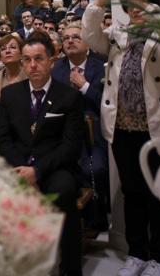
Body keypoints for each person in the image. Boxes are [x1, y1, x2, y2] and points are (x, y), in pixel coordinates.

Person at [83, 0, 160, 276]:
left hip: (159, 127)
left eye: (139, 1)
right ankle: (137, 253)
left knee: (159, 192)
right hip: (122, 127)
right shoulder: (118, 34)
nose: (132, 8)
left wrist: (145, 3)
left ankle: (159, 257)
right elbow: (91, 37)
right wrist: (99, 2)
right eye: (128, 4)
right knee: (132, 193)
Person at [0, 32, 85, 276]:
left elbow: (70, 147)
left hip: (55, 167)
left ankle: (70, 269)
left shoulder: (69, 96)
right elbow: (2, 138)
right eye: (27, 60)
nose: (32, 65)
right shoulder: (11, 95)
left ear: (51, 61)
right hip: (18, 165)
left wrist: (37, 171)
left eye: (39, 58)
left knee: (63, 191)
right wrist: (21, 169)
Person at [52, 23, 109, 233]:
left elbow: (108, 103)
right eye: (66, 38)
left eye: (76, 36)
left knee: (97, 168)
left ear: (87, 43)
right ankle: (75, 223)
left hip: (95, 136)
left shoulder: (101, 65)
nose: (70, 41)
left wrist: (84, 86)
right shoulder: (56, 69)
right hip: (64, 135)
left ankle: (97, 217)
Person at [0, 33, 26, 99]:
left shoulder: (31, 77)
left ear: (21, 53)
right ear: (0, 57)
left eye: (13, 47)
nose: (7, 51)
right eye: (3, 49)